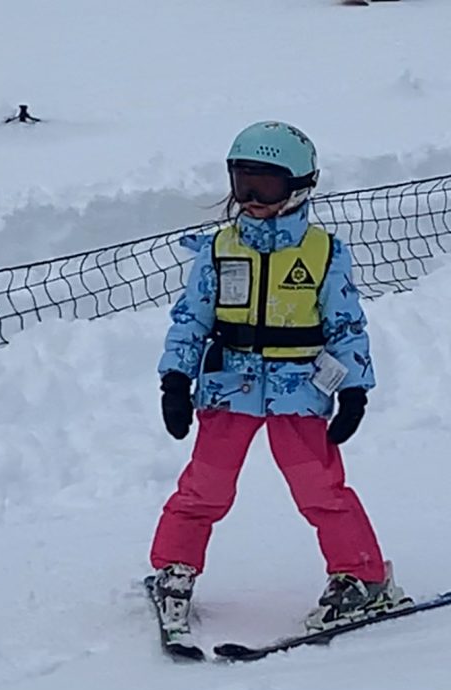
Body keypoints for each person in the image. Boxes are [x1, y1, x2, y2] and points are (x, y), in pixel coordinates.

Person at [149, 121, 403, 640]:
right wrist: (175, 379)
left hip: (298, 390)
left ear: (300, 187)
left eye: (266, 186)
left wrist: (354, 387)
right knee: (205, 487)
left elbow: (346, 324)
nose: (252, 199)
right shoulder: (218, 251)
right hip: (230, 386)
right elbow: (190, 319)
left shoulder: (322, 253)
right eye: (243, 184)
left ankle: (362, 576)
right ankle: (174, 569)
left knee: (320, 489)